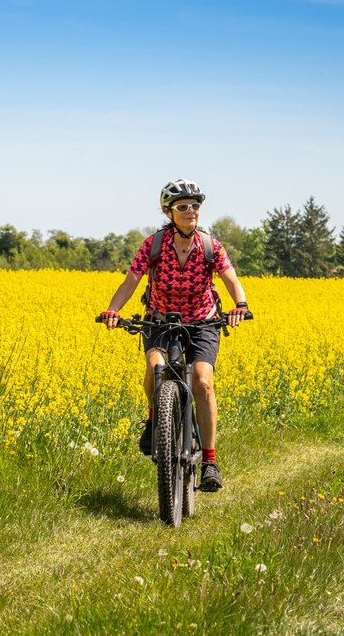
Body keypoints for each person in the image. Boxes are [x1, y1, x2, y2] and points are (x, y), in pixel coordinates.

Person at [99, 179, 249, 492]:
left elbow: (230, 278)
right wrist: (113, 309)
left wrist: (240, 305)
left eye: (195, 205)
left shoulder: (210, 245)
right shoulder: (153, 245)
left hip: (203, 321)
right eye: (183, 206)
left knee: (202, 381)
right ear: (169, 212)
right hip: (159, 318)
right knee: (156, 368)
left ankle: (209, 461)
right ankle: (155, 419)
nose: (190, 211)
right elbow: (131, 281)